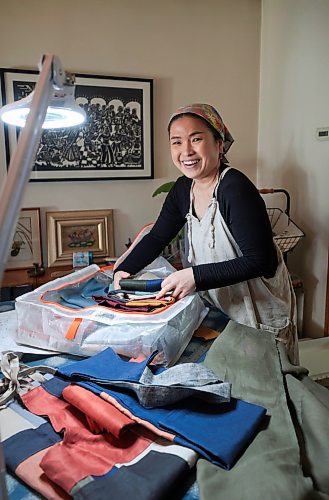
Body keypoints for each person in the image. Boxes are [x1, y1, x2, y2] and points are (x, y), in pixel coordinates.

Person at [114, 103, 298, 363]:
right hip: (221, 310)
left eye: (196, 139)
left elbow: (260, 260)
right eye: (176, 142)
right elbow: (157, 237)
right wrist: (123, 269)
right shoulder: (183, 188)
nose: (186, 151)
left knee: (265, 393)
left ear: (219, 144)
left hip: (257, 313)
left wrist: (194, 276)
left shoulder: (235, 188)